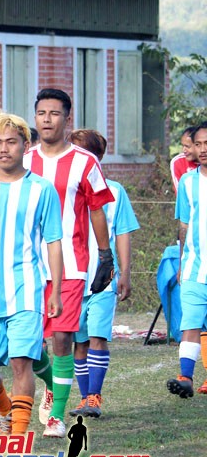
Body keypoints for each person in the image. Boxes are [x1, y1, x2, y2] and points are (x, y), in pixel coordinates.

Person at [0, 113, 63, 436]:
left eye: (11, 142)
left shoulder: (41, 190)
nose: (4, 149)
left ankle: (19, 436)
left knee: (20, 363)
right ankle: (6, 408)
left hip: (26, 289)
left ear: (25, 145)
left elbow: (53, 242)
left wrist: (55, 291)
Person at [24, 88, 114, 438]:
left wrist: (104, 257)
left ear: (67, 118)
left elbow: (96, 210)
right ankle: (51, 382)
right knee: (26, 347)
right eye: (42, 113)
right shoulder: (23, 159)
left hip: (72, 267)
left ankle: (58, 415)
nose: (47, 119)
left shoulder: (85, 162)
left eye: (55, 113)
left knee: (61, 339)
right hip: (27, 265)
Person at [67, 129, 139, 418]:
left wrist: (124, 273)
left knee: (98, 336)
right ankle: (84, 397)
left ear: (96, 159)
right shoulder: (64, 190)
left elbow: (122, 233)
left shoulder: (115, 192)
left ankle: (95, 397)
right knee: (79, 340)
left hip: (103, 277)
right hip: (72, 275)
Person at [170, 121, 207, 398]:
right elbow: (184, 224)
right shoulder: (187, 181)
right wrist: (182, 262)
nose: (202, 149)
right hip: (195, 266)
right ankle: (186, 378)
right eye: (198, 144)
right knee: (190, 322)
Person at [171, 126, 198, 193]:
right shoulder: (177, 162)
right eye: (183, 146)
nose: (184, 150)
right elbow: (180, 194)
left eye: (187, 146)